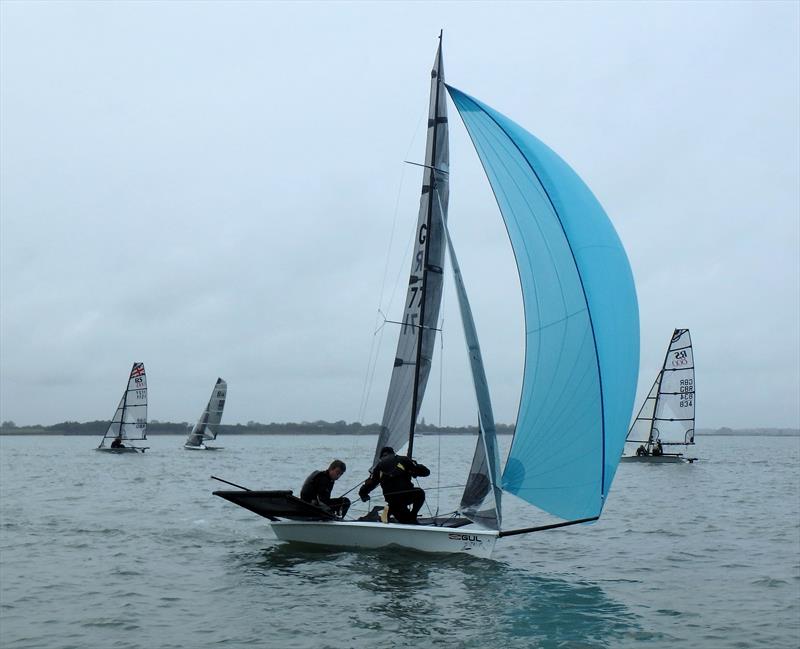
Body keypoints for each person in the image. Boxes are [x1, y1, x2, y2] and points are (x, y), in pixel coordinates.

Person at [358, 446, 430, 524]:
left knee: (406, 520)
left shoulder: (378, 467)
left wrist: (363, 494)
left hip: (393, 501)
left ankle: (388, 512)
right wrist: (415, 466)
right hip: (406, 496)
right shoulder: (404, 460)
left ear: (381, 456)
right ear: (393, 453)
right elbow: (426, 472)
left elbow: (371, 484)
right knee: (420, 493)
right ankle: (413, 515)